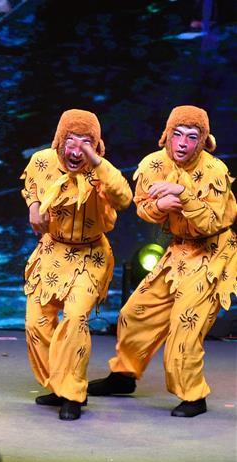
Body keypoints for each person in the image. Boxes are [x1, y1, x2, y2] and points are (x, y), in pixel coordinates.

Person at [88, 106, 235, 417]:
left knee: (186, 324)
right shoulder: (153, 164)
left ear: (203, 140)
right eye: (177, 134)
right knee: (134, 314)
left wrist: (183, 194)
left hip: (212, 253)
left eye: (192, 137)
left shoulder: (214, 170)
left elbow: (212, 222)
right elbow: (142, 206)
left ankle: (193, 396)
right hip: (178, 250)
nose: (182, 143)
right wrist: (160, 206)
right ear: (167, 135)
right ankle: (123, 375)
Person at [21, 109, 133, 420]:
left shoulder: (101, 172)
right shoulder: (42, 161)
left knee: (75, 317)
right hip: (52, 251)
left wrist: (96, 161)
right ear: (59, 140)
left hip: (90, 255)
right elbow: (31, 184)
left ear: (96, 146)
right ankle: (58, 385)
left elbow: (124, 198)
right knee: (35, 322)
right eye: (71, 140)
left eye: (86, 142)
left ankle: (72, 392)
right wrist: (33, 205)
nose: (76, 150)